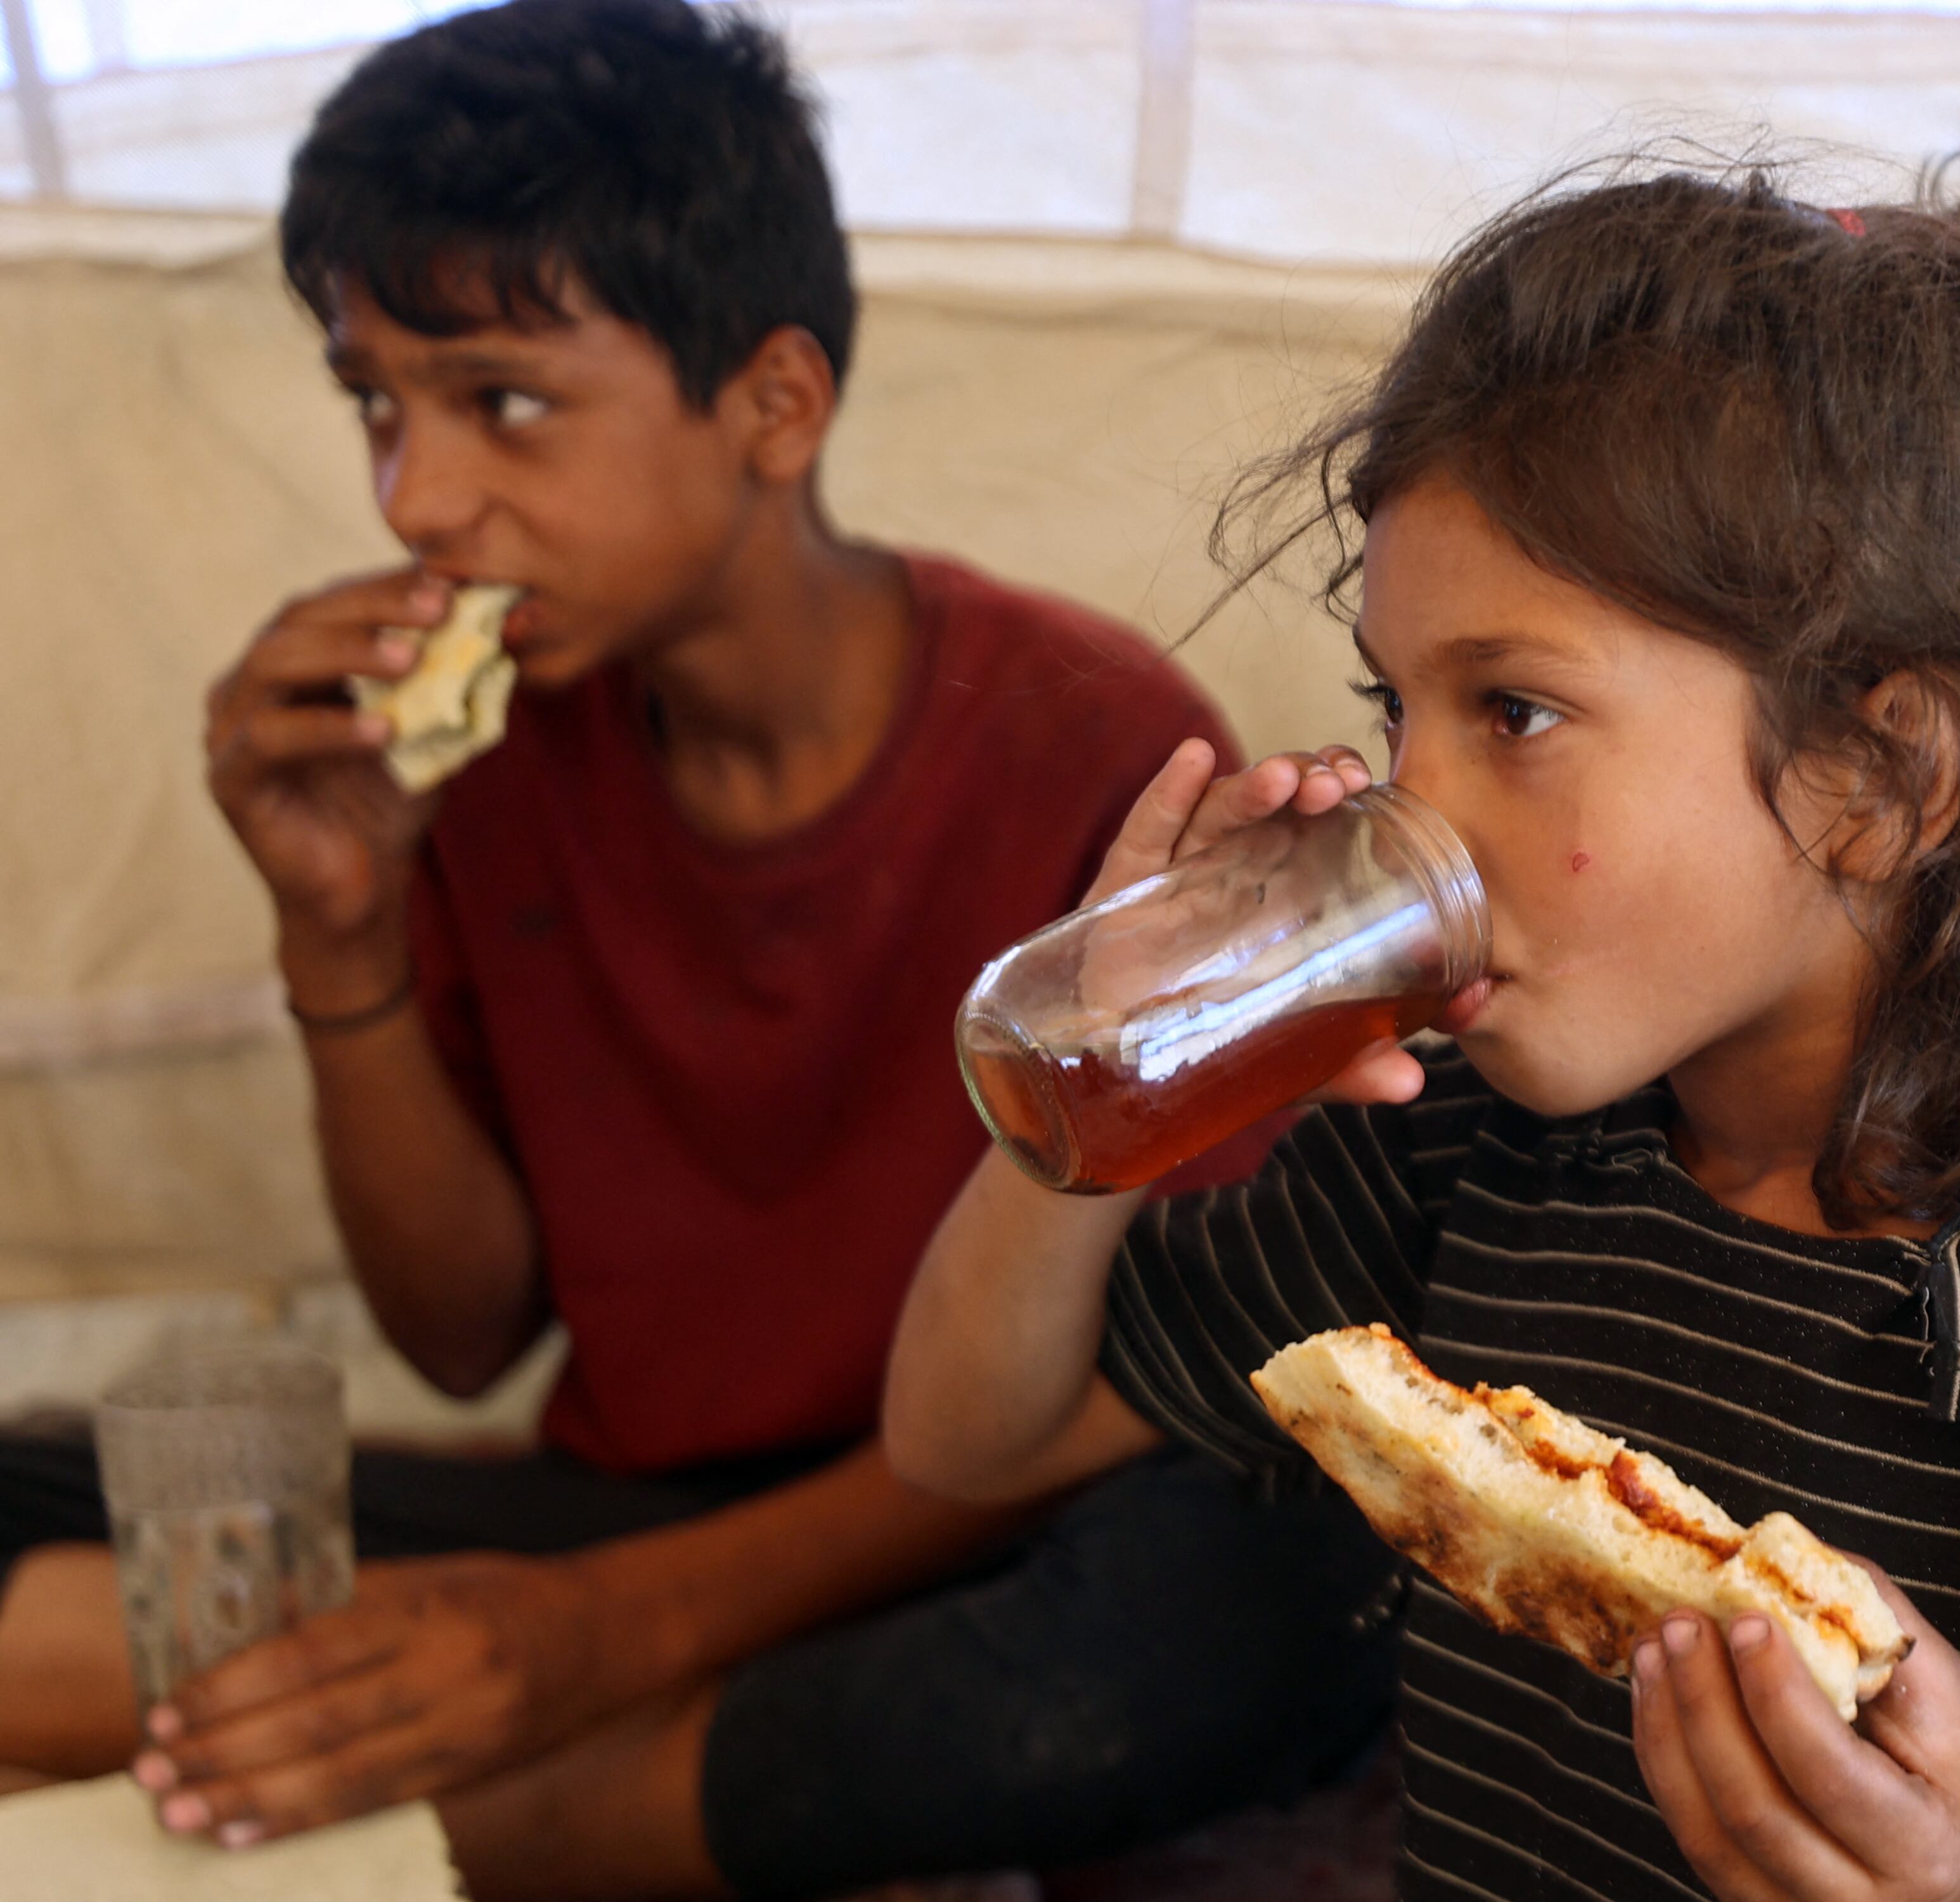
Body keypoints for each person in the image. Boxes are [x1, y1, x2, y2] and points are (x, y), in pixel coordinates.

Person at [881, 168, 1960, 1902]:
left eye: (1513, 710)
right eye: (1391, 709)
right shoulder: (1468, 1142)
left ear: (1880, 777)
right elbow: (973, 1443)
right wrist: (1104, 1097)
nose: (1411, 808)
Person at [0, 3, 1403, 1896]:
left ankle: (520, 1806)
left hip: (973, 1523)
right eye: (375, 404)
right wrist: (336, 928)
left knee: (1256, 1602)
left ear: (773, 405)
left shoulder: (1082, 738)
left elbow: (1142, 1377)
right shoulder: (485, 770)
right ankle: (609, 1756)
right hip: (631, 1507)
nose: (417, 497)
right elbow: (464, 1328)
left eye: (500, 400)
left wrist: (601, 1639)